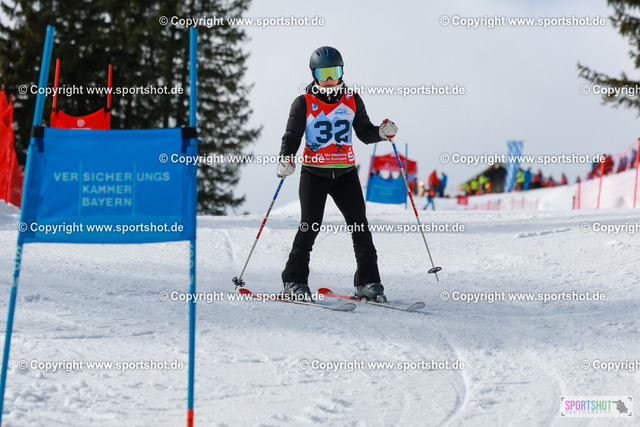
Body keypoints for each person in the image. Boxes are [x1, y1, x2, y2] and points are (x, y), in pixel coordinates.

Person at [277, 46, 397, 303]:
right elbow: (292, 136)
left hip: (345, 175)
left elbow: (364, 132)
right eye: (324, 73)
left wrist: (381, 132)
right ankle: (293, 281)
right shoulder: (303, 102)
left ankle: (367, 282)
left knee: (360, 227)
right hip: (314, 174)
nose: (330, 78)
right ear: (314, 74)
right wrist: (286, 158)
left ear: (342, 72)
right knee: (309, 226)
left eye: (335, 72)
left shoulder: (352, 99)